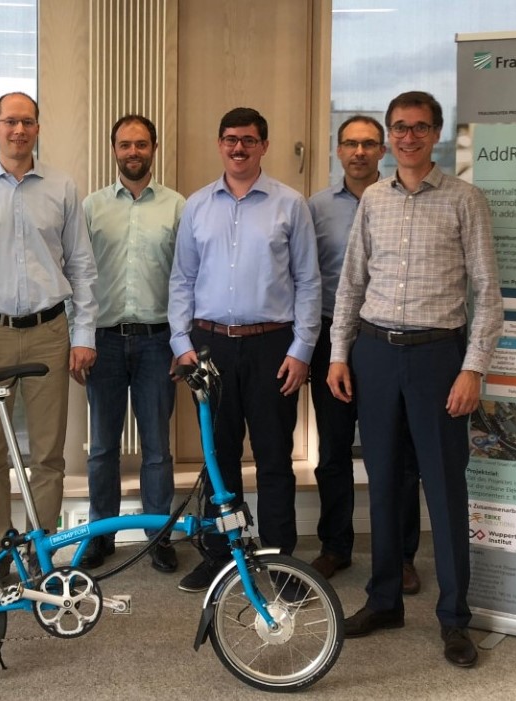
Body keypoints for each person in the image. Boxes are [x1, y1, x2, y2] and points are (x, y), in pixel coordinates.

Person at [327, 91, 502, 668]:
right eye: (398, 128)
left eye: (419, 128)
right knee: (381, 485)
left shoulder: (464, 200)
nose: (407, 137)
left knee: (445, 488)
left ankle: (455, 619)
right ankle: (383, 600)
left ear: (436, 133)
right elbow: (351, 284)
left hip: (437, 360)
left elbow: (488, 293)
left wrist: (473, 368)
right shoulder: (373, 198)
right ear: (388, 134)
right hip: (376, 354)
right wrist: (339, 354)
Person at [168, 107, 321, 593]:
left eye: (249, 140)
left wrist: (302, 349)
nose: (239, 148)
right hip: (209, 347)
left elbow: (308, 283)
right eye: (231, 139)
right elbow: (182, 280)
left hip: (272, 346)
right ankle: (219, 557)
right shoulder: (197, 205)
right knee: (218, 459)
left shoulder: (290, 204)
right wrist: (181, 343)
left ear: (264, 146)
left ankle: (281, 562)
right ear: (219, 144)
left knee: (275, 458)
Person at [0, 92, 98, 554]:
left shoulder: (62, 187)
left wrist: (83, 334)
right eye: (10, 122)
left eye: (27, 122)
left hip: (51, 334)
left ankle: (39, 547)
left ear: (37, 129)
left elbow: (82, 266)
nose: (19, 130)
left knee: (48, 454)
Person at [308, 115, 424, 594]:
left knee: (397, 452)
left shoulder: (404, 201)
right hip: (331, 337)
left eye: (369, 144)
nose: (359, 152)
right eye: (350, 144)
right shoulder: (314, 208)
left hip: (386, 340)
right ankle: (335, 545)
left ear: (383, 151)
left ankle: (400, 555)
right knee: (333, 449)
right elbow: (304, 276)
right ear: (338, 151)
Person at [80, 114, 185, 573]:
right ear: (113, 150)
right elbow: (77, 278)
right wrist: (76, 337)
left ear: (154, 148)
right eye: (124, 145)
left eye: (141, 144)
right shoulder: (91, 207)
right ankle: (101, 533)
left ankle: (158, 534)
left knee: (158, 448)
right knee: (102, 446)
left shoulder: (178, 207)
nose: (133, 152)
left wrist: (183, 343)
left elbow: (186, 280)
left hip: (157, 341)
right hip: (101, 341)